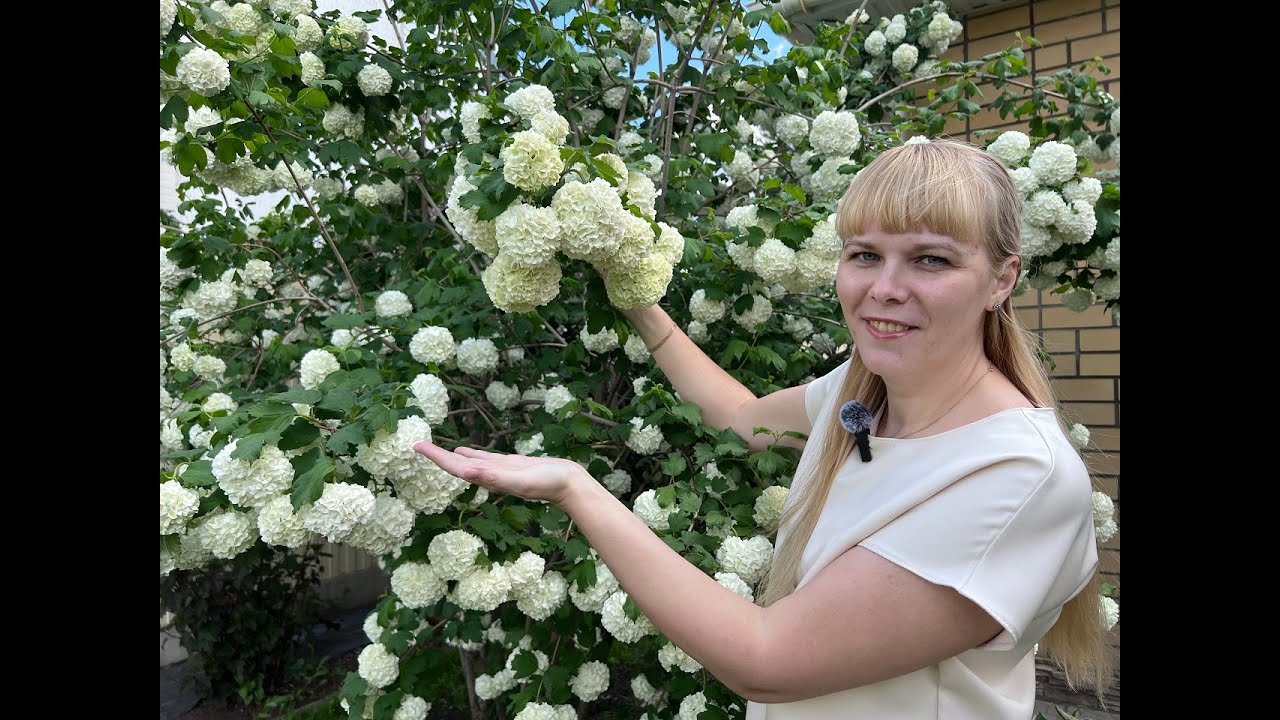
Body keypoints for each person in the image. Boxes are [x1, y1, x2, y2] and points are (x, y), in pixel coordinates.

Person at [415, 139, 1114, 718]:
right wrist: (633, 291)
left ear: (1001, 280)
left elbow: (766, 659)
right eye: (864, 254)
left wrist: (576, 489)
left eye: (930, 259)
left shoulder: (1016, 474)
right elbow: (745, 420)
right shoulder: (861, 392)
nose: (884, 287)